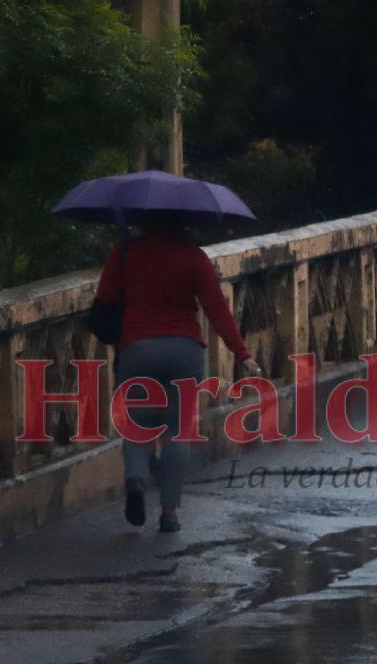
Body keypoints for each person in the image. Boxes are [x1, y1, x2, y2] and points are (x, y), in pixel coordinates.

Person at [95, 216, 261, 533]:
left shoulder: (125, 252)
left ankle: (136, 481)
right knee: (177, 429)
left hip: (137, 348)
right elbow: (216, 310)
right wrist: (243, 355)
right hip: (184, 351)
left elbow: (105, 299)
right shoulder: (193, 257)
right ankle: (169, 512)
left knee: (137, 426)